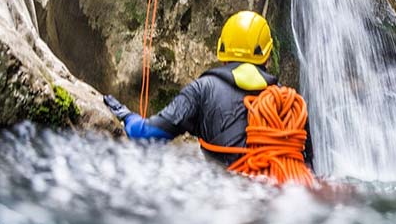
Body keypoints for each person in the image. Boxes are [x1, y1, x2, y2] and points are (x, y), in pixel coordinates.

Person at [103, 10, 310, 167]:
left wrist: (127, 116)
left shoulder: (203, 90)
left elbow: (148, 134)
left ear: (222, 50)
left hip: (224, 202)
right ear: (266, 55)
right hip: (282, 203)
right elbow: (308, 165)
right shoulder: (290, 104)